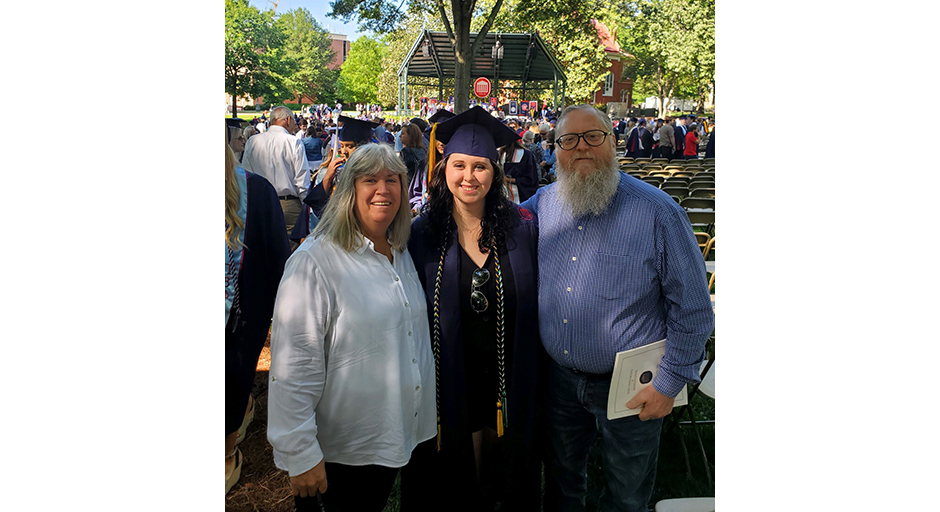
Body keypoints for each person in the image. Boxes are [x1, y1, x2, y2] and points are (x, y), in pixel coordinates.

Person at [520, 105, 713, 512]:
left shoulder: (658, 213)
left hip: (634, 386)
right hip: (560, 383)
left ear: (613, 141)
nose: (581, 148)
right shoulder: (541, 205)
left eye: (593, 136)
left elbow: (694, 310)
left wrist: (669, 384)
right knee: (561, 485)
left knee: (626, 497)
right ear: (555, 150)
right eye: (568, 140)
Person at [267, 143, 436, 511]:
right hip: (344, 452)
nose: (383, 190)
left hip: (397, 434)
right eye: (370, 180)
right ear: (349, 191)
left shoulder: (400, 252)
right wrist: (299, 451)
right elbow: (293, 366)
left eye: (392, 180)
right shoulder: (315, 262)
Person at [407, 106, 545, 511]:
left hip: (507, 372)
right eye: (460, 165)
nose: (469, 177)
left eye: (481, 167)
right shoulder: (422, 234)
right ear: (444, 168)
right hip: (450, 373)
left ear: (495, 172)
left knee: (503, 466)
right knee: (457, 473)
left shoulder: (522, 229)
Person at [225, 128, 290, 495]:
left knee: (231, 373)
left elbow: (278, 261)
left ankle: (228, 448)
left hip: (239, 309)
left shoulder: (257, 192)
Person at [240, 106, 311, 250]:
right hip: (288, 205)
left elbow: (246, 175)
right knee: (291, 251)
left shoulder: (252, 141)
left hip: (259, 202)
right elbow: (302, 180)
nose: (295, 126)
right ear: (288, 120)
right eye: (294, 122)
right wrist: (306, 207)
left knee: (263, 249)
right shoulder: (293, 142)